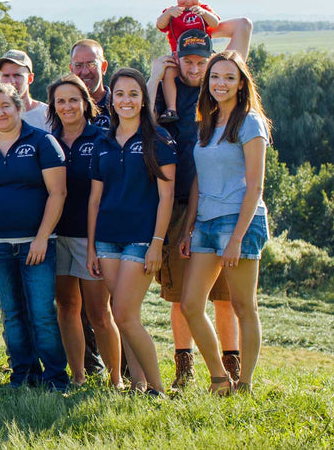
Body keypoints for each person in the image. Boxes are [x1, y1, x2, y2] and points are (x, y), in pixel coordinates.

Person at [148, 29, 242, 389]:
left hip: (219, 204)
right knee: (181, 296)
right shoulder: (167, 95)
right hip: (177, 203)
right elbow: (142, 121)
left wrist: (206, 18)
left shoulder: (218, 93)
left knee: (224, 298)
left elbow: (244, 28)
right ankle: (183, 370)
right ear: (178, 59)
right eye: (188, 60)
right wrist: (157, 74)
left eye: (203, 61)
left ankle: (230, 370)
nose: (196, 68)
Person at [0, 82, 69, 390]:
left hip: (36, 244)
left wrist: (41, 237)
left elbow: (57, 193)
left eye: (5, 106)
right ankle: (23, 374)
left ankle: (55, 379)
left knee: (42, 314)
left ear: (18, 107)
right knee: (12, 314)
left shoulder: (42, 142)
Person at [179, 51, 272, 395]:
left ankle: (245, 384)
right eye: (215, 76)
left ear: (241, 83)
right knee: (190, 304)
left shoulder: (250, 123)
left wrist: (236, 238)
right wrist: (189, 226)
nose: (221, 83)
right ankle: (220, 378)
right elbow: (199, 180)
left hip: (239, 220)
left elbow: (256, 185)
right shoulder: (208, 121)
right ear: (208, 81)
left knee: (243, 305)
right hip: (204, 221)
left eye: (229, 77)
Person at [87, 68, 177, 396]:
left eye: (134, 94)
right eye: (120, 94)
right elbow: (95, 199)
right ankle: (137, 384)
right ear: (113, 100)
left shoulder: (159, 140)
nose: (126, 100)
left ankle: (157, 389)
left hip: (142, 238)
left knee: (124, 314)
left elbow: (166, 196)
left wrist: (157, 243)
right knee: (123, 314)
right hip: (108, 238)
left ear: (144, 100)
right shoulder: (104, 142)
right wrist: (92, 247)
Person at [45, 74, 121, 388]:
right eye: (60, 101)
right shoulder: (48, 141)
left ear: (85, 103)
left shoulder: (103, 138)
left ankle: (116, 379)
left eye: (73, 99)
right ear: (53, 106)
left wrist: (97, 241)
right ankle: (77, 376)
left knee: (99, 312)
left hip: (93, 238)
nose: (67, 106)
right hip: (58, 235)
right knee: (66, 307)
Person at [154, 0, 255, 124]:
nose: (188, 2)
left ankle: (195, 51)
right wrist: (154, 78)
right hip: (176, 53)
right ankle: (171, 108)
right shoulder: (172, 12)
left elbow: (235, 25)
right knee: (169, 72)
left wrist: (200, 33)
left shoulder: (219, 86)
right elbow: (160, 24)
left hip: (201, 39)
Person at [0, 50, 51, 133]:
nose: (11, 81)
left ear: (30, 78)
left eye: (17, 75)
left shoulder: (47, 115)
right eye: (6, 76)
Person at [69, 39, 113, 130]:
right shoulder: (64, 110)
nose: (85, 72)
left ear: (103, 67)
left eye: (91, 64)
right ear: (71, 69)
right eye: (78, 65)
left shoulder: (119, 106)